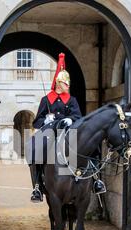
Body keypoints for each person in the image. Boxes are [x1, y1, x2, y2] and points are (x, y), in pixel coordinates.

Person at [29, 53, 82, 202]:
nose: (68, 86)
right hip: (50, 133)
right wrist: (46, 119)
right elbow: (36, 121)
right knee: (37, 149)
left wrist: (69, 120)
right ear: (58, 84)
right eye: (66, 84)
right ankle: (38, 185)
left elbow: (78, 117)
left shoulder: (72, 100)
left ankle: (93, 180)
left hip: (67, 132)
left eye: (68, 84)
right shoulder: (46, 100)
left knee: (87, 146)